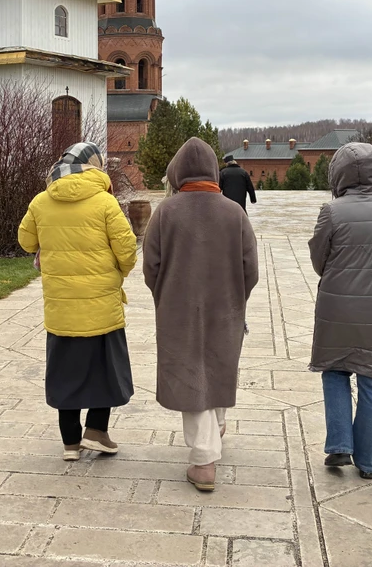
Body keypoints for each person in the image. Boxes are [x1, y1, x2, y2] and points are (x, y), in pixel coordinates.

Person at [143, 138, 259, 492]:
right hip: (225, 306)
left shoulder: (166, 211)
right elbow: (250, 269)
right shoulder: (233, 212)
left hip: (178, 307)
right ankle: (216, 426)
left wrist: (165, 295)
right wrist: (237, 299)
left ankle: (204, 460)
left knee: (190, 371)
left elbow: (151, 266)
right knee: (218, 363)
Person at [18, 141, 138, 461]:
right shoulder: (105, 202)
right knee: (105, 368)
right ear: (95, 166)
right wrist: (119, 272)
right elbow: (127, 249)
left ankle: (70, 442)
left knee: (65, 371)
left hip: (60, 308)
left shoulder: (42, 201)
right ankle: (97, 431)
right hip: (101, 304)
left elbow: (26, 240)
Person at [308, 142, 372, 480]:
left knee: (335, 370)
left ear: (339, 173)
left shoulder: (333, 211)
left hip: (338, 308)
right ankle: (368, 462)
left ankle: (339, 443)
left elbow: (318, 260)